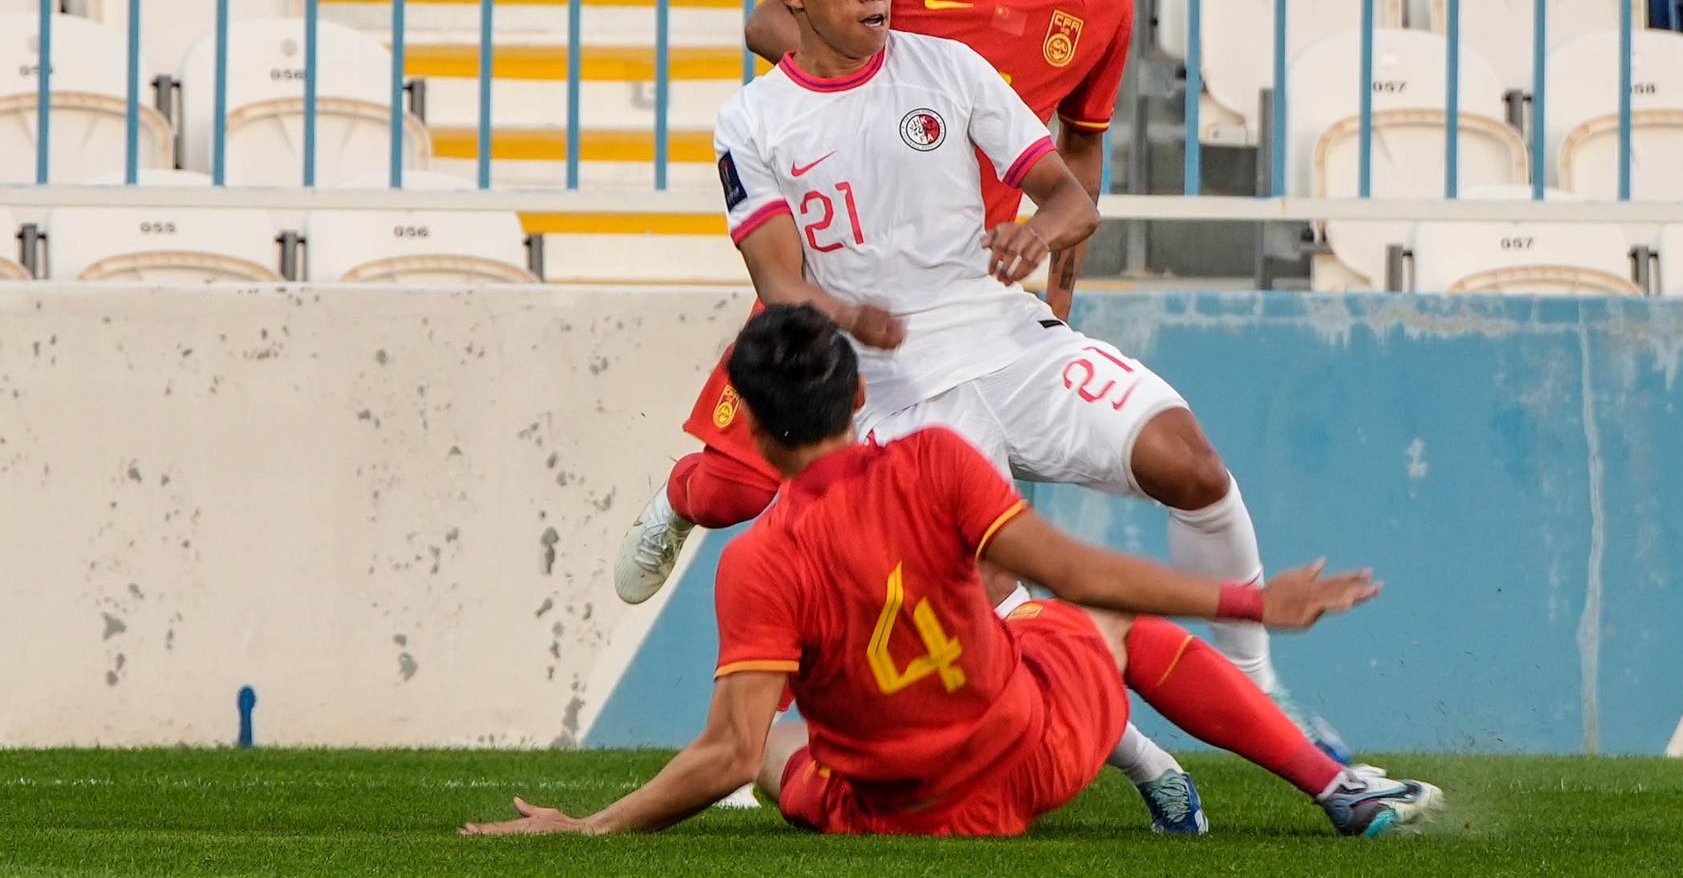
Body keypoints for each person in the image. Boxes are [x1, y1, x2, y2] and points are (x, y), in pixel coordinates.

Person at [618, 0, 1348, 827]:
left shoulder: (949, 68)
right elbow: (778, 285)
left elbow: (1070, 193)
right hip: (888, 377)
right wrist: (852, 313)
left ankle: (1261, 691)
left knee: (1188, 459)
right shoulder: (752, 123)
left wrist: (1039, 232)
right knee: (983, 598)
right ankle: (1150, 763)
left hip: (1003, 334)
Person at [465, 305, 1443, 840]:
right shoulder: (935, 462)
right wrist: (1248, 599)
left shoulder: (757, 560)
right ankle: (1331, 788)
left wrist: (590, 829)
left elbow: (726, 753)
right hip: (1034, 758)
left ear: (754, 432)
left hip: (900, 816)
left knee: (767, 745)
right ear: (856, 396)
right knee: (1093, 626)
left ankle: (1161, 778)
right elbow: (1081, 573)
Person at [625, 0, 1142, 572]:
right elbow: (767, 23)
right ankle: (678, 500)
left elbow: (1082, 148)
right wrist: (875, 93)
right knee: (735, 490)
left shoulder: (1104, 1)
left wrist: (1060, 297)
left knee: (963, 538)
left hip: (962, 293)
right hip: (846, 260)